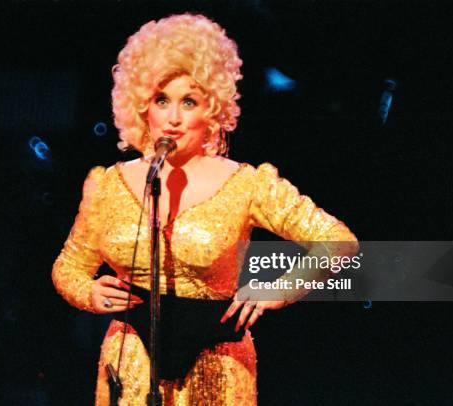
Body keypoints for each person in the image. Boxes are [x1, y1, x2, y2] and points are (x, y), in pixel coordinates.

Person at [52, 14, 358, 405]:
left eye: (189, 101)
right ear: (142, 104)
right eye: (162, 100)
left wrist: (281, 288)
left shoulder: (247, 184)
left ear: (211, 109)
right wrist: (88, 291)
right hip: (129, 361)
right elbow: (68, 267)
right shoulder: (109, 185)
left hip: (218, 366)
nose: (174, 118)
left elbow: (338, 242)